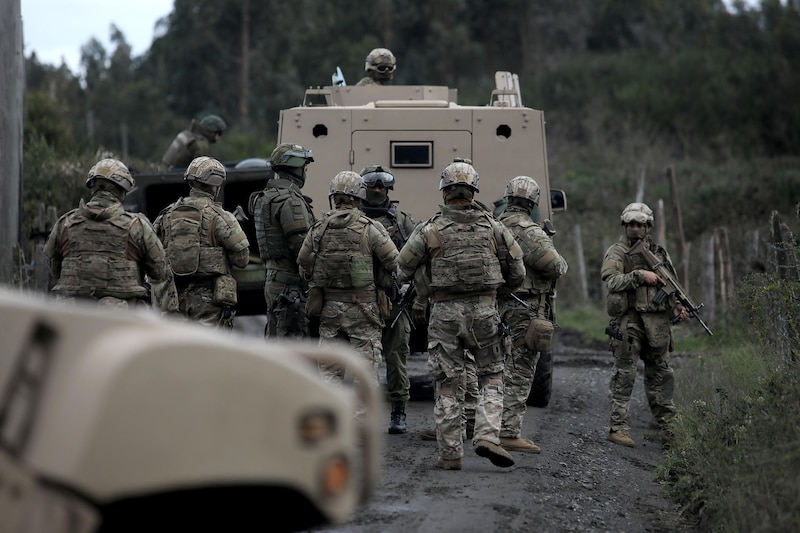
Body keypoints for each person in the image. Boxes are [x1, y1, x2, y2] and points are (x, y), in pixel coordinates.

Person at [397, 159, 525, 471]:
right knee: (492, 374)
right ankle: (486, 435)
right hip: (484, 311)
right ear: (473, 191)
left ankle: (451, 453)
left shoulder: (429, 229)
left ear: (444, 192)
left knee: (447, 383)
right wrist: (497, 294)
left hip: (444, 315)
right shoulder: (495, 228)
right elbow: (517, 272)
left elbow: (401, 268)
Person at [297, 171, 399, 385]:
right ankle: (361, 419)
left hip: (330, 309)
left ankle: (332, 417)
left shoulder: (319, 229)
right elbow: (394, 263)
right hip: (364, 310)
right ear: (360, 195)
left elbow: (303, 261)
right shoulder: (370, 228)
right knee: (364, 375)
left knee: (329, 375)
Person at [601, 202, 689, 447]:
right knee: (624, 375)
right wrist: (639, 276)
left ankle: (669, 429)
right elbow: (611, 281)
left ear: (648, 226)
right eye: (631, 224)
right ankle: (618, 428)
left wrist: (678, 306)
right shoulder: (617, 252)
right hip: (629, 322)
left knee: (661, 374)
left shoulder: (659, 253)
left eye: (640, 224)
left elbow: (671, 284)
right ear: (625, 225)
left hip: (657, 323)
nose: (635, 229)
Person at [496, 176, 568, 453]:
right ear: (533, 202)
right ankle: (508, 432)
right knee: (520, 369)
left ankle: (480, 425)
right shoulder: (529, 231)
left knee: (490, 369)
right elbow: (556, 267)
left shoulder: (493, 225)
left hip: (493, 305)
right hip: (524, 308)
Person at [45, 158, 174, 311]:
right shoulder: (137, 226)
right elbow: (160, 272)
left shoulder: (64, 224)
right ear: (122, 189)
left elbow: (54, 268)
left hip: (73, 315)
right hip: (120, 318)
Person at [153, 156, 250, 328]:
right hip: (209, 300)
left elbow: (153, 254)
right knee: (208, 351)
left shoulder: (165, 215)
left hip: (173, 297)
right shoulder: (221, 217)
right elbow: (242, 260)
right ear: (216, 184)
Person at [358, 164, 418, 434]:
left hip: (395, 301)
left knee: (396, 357)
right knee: (361, 361)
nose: (378, 188)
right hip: (360, 301)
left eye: (382, 183)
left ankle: (398, 410)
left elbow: (418, 256)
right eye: (372, 183)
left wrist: (412, 289)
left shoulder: (402, 221)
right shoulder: (353, 219)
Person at [250, 143, 316, 339]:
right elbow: (301, 247)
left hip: (274, 280)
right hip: (291, 285)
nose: (306, 172)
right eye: (304, 167)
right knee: (292, 344)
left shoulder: (266, 197)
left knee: (275, 339)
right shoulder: (290, 200)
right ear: (296, 168)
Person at [162, 114, 228, 168]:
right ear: (212, 132)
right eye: (219, 133)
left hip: (166, 173)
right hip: (175, 179)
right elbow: (206, 170)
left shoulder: (187, 134)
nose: (219, 138)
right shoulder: (200, 144)